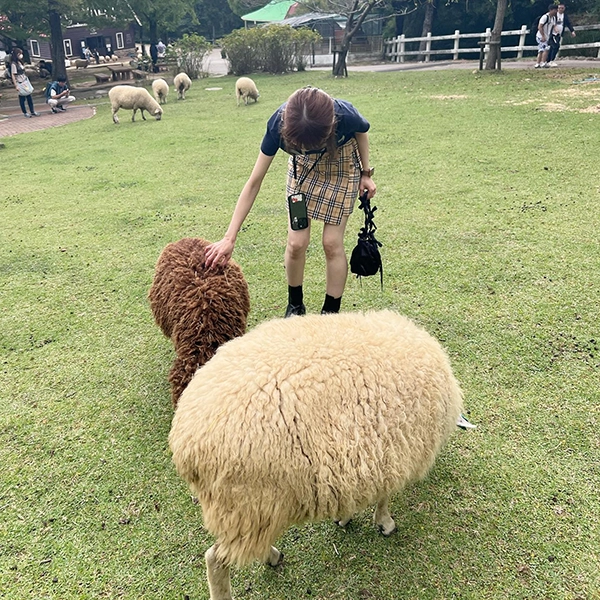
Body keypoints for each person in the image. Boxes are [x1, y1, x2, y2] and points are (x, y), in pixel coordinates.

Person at [205, 86, 377, 317]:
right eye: (301, 146)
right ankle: (295, 305)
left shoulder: (345, 115)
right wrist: (229, 237)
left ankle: (330, 313)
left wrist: (366, 174)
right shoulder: (277, 125)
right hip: (302, 173)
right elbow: (254, 181)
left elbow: (361, 132)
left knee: (331, 243)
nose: (307, 149)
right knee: (296, 243)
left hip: (341, 167)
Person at [10, 48, 40, 118]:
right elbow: (13, 75)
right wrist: (16, 85)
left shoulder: (19, 62)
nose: (21, 55)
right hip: (20, 82)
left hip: (25, 81)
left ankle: (32, 111)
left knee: (29, 97)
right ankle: (25, 112)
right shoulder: (13, 64)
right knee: (22, 98)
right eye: (19, 54)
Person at [535, 4, 558, 68]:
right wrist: (543, 36)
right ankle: (540, 63)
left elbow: (553, 25)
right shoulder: (545, 17)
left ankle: (540, 63)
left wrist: (556, 30)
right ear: (551, 10)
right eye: (555, 10)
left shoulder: (553, 18)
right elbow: (540, 27)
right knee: (543, 49)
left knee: (545, 49)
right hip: (541, 36)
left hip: (546, 36)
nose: (556, 12)